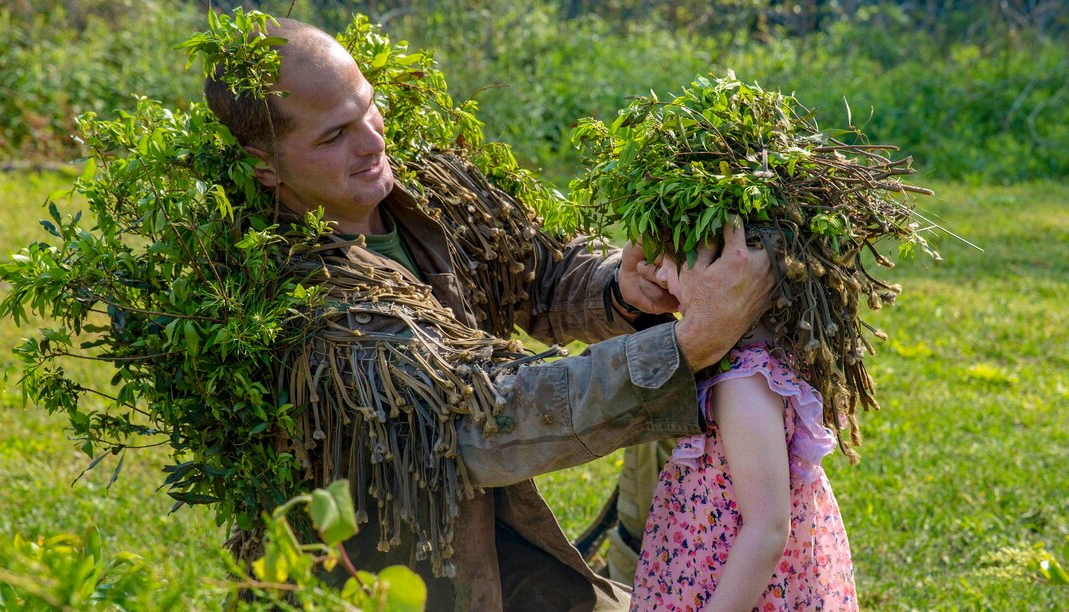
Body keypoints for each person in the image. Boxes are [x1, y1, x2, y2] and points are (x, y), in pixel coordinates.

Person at [204, 17, 773, 611]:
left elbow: (540, 267)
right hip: (391, 584)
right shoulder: (294, 296)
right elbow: (484, 415)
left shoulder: (429, 188)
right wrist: (690, 344)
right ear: (265, 165)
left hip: (507, 550)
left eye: (368, 108)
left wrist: (622, 289)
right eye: (333, 136)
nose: (373, 142)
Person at [630, 255, 859, 610]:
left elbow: (767, 531)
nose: (658, 274)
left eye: (673, 260)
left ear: (729, 269)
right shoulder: (751, 361)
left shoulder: (742, 383)